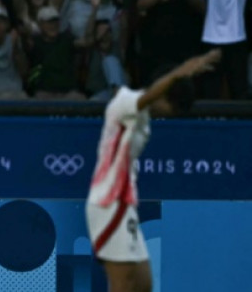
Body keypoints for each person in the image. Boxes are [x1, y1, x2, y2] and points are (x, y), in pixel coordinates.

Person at [86, 49, 220, 292]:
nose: (173, 114)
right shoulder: (125, 101)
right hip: (108, 204)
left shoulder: (144, 121)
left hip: (125, 207)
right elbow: (148, 96)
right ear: (163, 94)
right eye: (173, 107)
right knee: (123, 285)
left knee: (143, 284)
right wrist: (181, 71)